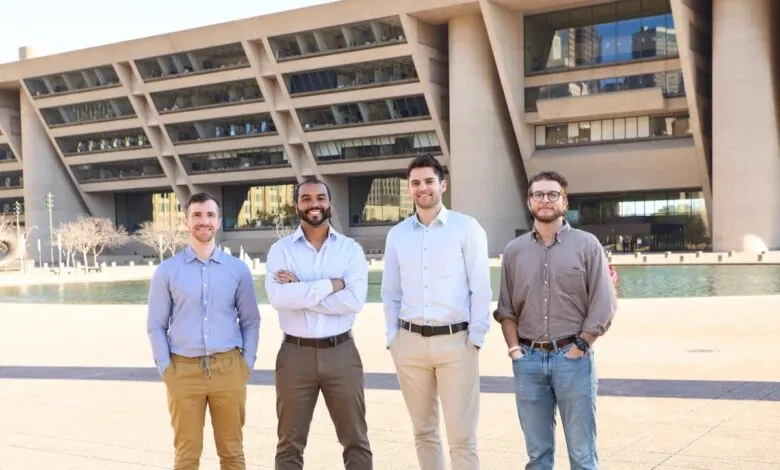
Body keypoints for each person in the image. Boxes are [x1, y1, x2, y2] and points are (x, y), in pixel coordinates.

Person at [493, 171, 616, 470]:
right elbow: (506, 308)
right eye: (539, 194)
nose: (545, 200)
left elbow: (604, 304)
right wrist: (515, 352)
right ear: (529, 201)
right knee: (537, 457)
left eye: (552, 194)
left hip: (573, 359)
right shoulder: (514, 251)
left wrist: (580, 347)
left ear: (564, 200)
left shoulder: (587, 245)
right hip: (528, 361)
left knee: (583, 455)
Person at [380, 153, 492, 470]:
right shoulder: (397, 235)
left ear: (442, 184)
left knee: (462, 438)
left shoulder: (467, 228)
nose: (422, 188)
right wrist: (393, 338)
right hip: (410, 344)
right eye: (415, 183)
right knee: (424, 433)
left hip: (457, 343)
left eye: (429, 181)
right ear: (409, 189)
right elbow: (390, 292)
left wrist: (476, 339)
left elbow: (481, 288)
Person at [147, 192, 261, 470]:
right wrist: (166, 368)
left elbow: (250, 321)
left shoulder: (238, 270)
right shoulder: (167, 271)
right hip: (183, 372)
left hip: (228, 369)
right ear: (186, 221)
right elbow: (156, 324)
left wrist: (247, 364)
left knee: (232, 453)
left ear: (219, 222)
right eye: (197, 215)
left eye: (210, 215)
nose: (204, 221)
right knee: (186, 456)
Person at [265, 176, 372, 470]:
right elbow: (278, 298)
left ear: (329, 203)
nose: (314, 204)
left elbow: (354, 302)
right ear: (297, 205)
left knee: (356, 439)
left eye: (320, 198)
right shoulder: (281, 251)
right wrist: (332, 284)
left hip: (342, 353)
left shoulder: (349, 249)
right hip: (294, 356)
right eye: (307, 198)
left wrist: (301, 290)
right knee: (289, 442)